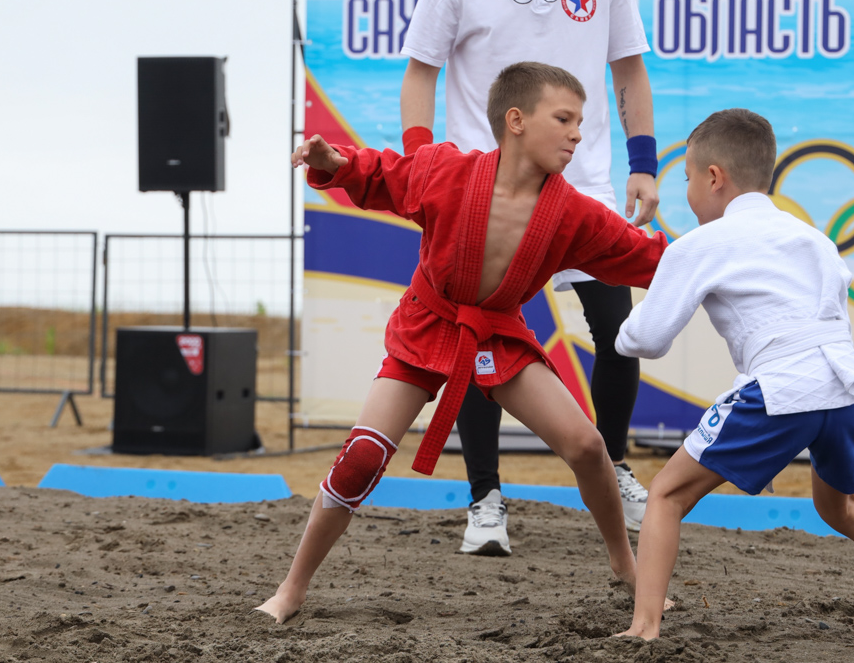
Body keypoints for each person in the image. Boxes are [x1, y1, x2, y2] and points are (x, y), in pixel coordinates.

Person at [256, 63, 668, 624]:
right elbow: (381, 174)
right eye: (565, 118)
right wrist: (335, 163)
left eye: (582, 122)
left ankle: (626, 567)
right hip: (428, 324)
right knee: (362, 459)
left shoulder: (573, 213)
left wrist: (730, 263)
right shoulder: (446, 169)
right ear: (516, 120)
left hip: (496, 333)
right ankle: (291, 590)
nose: (578, 133)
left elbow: (648, 258)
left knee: (589, 447)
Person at [399, 0, 660, 554]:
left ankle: (612, 465)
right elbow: (421, 70)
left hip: (584, 186)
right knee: (475, 336)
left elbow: (629, 69)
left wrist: (643, 161)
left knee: (617, 329)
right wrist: (423, 164)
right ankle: (485, 498)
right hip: (485, 192)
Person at [611, 109, 854, 640]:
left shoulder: (698, 245)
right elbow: (833, 315)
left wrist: (630, 303)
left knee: (666, 495)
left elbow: (645, 341)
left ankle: (643, 626)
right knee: (841, 506)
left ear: (713, 177)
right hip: (846, 385)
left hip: (781, 387)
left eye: (684, 179)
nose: (686, 193)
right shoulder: (812, 237)